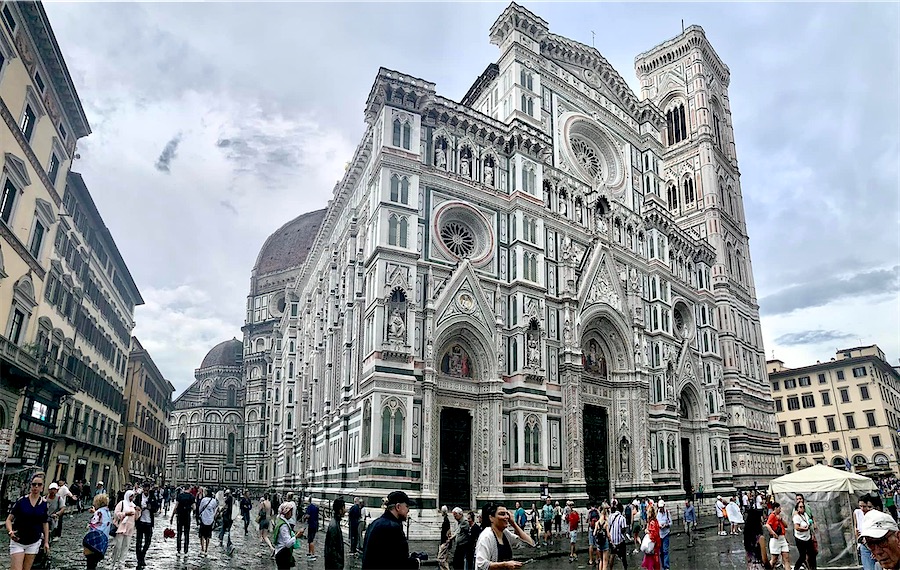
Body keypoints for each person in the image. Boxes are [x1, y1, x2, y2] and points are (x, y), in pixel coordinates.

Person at [361, 490, 420, 569]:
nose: (408, 510)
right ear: (398, 507)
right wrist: (415, 562)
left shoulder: (374, 523)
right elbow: (398, 562)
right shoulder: (393, 528)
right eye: (407, 506)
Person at [5, 471, 50, 570]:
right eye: (34, 484)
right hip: (18, 540)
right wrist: (10, 531)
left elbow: (45, 523)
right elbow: (9, 519)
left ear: (42, 487)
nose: (36, 487)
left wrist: (46, 542)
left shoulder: (44, 504)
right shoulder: (22, 501)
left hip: (33, 541)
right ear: (31, 486)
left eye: (39, 485)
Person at [474, 502, 535, 570]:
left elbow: (530, 543)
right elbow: (481, 564)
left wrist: (513, 523)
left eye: (507, 514)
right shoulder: (486, 536)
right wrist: (505, 565)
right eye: (502, 514)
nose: (506, 517)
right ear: (491, 518)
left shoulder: (505, 533)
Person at [110, 489, 139, 568]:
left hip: (130, 528)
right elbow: (116, 514)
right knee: (118, 546)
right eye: (131, 496)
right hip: (121, 527)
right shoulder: (122, 503)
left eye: (133, 496)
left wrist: (138, 512)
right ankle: (114, 561)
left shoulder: (133, 505)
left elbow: (136, 518)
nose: (132, 498)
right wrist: (125, 514)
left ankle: (121, 563)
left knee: (126, 546)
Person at [135, 481, 160, 569]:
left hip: (149, 522)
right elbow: (134, 506)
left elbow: (156, 508)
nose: (145, 490)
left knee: (147, 541)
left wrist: (151, 508)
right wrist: (137, 508)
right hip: (140, 522)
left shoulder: (152, 497)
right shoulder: (138, 497)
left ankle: (143, 555)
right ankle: (139, 559)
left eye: (147, 489)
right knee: (138, 541)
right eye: (144, 488)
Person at [83, 493, 112, 570]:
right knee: (94, 563)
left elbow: (94, 524)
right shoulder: (107, 512)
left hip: (95, 539)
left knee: (90, 563)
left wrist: (89, 525)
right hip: (103, 540)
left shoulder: (99, 512)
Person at [765, 502, 791, 570]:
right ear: (775, 508)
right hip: (776, 539)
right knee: (774, 560)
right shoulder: (772, 515)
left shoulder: (779, 516)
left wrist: (781, 519)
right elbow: (767, 525)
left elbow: (786, 525)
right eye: (779, 508)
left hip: (782, 538)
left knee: (786, 558)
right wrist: (773, 533)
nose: (780, 510)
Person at [273, 502, 299, 569]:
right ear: (286, 512)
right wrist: (296, 536)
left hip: (279, 552)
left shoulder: (280, 520)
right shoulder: (284, 526)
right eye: (291, 512)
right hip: (283, 553)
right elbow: (288, 544)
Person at [170, 487, 194, 556]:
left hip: (180, 516)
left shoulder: (180, 496)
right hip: (187, 517)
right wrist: (189, 509)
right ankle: (186, 551)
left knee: (179, 533)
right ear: (189, 489)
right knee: (186, 534)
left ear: (183, 489)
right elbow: (194, 507)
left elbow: (176, 507)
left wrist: (172, 517)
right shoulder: (191, 496)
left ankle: (178, 550)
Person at [793, 501, 816, 570]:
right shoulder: (796, 517)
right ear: (797, 508)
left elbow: (809, 520)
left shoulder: (805, 514)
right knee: (802, 556)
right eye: (800, 507)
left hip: (807, 538)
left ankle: (813, 568)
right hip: (800, 539)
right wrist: (804, 529)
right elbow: (797, 527)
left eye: (803, 507)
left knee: (812, 554)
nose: (802, 508)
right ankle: (796, 568)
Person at [857, 494, 878, 570]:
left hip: (874, 545)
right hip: (864, 545)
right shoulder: (858, 513)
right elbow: (856, 527)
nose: (862, 508)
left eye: (865, 506)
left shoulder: (875, 515)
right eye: (860, 506)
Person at [325, 498, 346, 570]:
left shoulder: (335, 523)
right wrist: (338, 565)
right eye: (344, 508)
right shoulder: (334, 525)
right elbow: (332, 549)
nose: (345, 511)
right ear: (340, 510)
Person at [196, 489, 218, 555]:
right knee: (208, 535)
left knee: (202, 535)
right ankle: (206, 550)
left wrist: (199, 516)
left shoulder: (204, 500)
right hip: (210, 519)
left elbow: (200, 508)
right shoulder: (214, 501)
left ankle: (202, 549)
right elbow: (215, 509)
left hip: (203, 518)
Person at [608, 503, 629, 570]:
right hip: (619, 540)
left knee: (612, 554)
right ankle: (625, 568)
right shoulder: (622, 518)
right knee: (623, 556)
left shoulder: (610, 516)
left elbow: (608, 527)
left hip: (612, 540)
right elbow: (623, 529)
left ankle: (610, 568)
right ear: (621, 509)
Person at [640, 503, 660, 570]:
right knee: (654, 562)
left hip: (652, 546)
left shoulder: (652, 523)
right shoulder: (655, 521)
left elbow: (653, 535)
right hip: (655, 544)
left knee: (652, 563)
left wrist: (648, 532)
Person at [656, 500, 671, 570]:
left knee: (665, 551)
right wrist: (658, 526)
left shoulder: (667, 512)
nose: (661, 508)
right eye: (660, 507)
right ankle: (662, 566)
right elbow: (655, 522)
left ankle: (666, 566)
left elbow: (671, 523)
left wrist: (666, 525)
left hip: (666, 534)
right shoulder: (657, 513)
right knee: (661, 552)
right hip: (659, 534)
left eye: (662, 507)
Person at [595, 503, 611, 570]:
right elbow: (608, 534)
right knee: (605, 562)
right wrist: (611, 540)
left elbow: (594, 533)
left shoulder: (597, 523)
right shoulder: (606, 523)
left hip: (598, 543)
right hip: (605, 542)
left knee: (600, 561)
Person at [305, 497, 320, 561]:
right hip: (315, 524)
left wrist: (305, 517)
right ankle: (309, 552)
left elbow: (308, 515)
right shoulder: (316, 507)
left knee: (310, 539)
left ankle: (312, 554)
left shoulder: (310, 507)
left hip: (311, 524)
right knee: (310, 538)